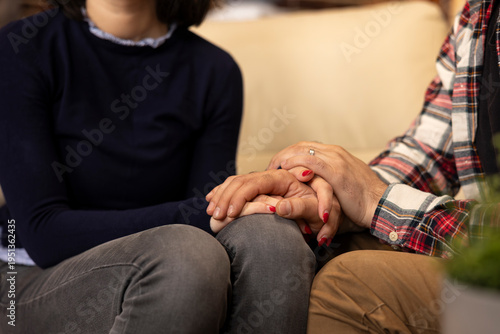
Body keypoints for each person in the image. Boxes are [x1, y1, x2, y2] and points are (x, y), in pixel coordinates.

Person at [0, 0, 315, 333]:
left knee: (273, 234)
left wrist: (274, 200)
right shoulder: (21, 47)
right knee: (187, 256)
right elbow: (44, 234)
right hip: (23, 274)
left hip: (162, 263)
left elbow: (212, 211)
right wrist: (206, 213)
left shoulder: (214, 70)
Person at [207, 0, 500, 332]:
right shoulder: (479, 12)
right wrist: (330, 198)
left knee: (347, 287)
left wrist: (376, 201)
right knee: (314, 241)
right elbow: (430, 152)